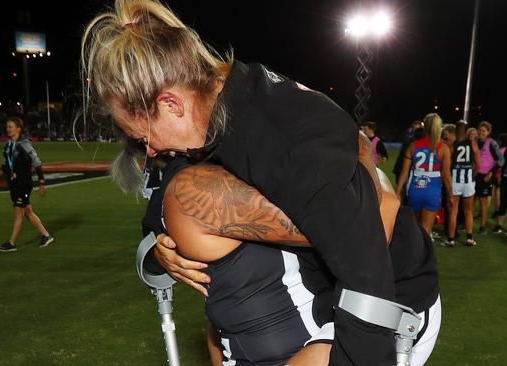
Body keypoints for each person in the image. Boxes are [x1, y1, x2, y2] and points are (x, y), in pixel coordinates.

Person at [82, 1, 397, 363]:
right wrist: (159, 248)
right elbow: (164, 204)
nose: (149, 151)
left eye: (143, 138)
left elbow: (367, 262)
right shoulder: (218, 116)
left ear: (170, 104)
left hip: (395, 295)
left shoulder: (279, 138)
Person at [145, 139, 440, 365]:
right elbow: (150, 236)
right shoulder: (186, 180)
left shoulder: (284, 159)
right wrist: (159, 254)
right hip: (242, 334)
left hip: (320, 327)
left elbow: (375, 213)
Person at [0, 117, 54, 252]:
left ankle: (12, 243)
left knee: (19, 213)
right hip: (14, 183)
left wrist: (42, 182)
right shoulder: (9, 145)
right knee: (27, 211)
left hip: (23, 183)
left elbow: (37, 163)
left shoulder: (24, 144)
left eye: (10, 126)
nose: (7, 129)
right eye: (7, 126)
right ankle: (46, 235)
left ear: (18, 129)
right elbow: (6, 162)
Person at [396, 113, 453, 236]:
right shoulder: (443, 148)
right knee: (426, 230)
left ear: (424, 127)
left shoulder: (413, 146)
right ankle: (425, 254)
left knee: (414, 229)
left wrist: (398, 191)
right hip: (433, 191)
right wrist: (451, 195)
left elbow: (404, 172)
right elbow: (446, 175)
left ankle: (413, 253)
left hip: (415, 190)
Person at [443, 121, 480, 247]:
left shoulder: (452, 145)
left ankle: (451, 239)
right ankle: (469, 238)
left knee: (453, 211)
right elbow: (478, 165)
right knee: (468, 211)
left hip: (455, 181)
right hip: (468, 181)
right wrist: (472, 175)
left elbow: (447, 165)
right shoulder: (473, 144)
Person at [475, 121, 504, 234]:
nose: (481, 132)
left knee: (483, 202)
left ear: (488, 132)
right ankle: (465, 223)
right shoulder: (475, 142)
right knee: (471, 200)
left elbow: (501, 160)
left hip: (485, 176)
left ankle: (483, 226)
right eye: (480, 130)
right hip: (474, 175)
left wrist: (491, 173)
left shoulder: (492, 143)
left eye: (484, 131)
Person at [393, 120, 425, 185]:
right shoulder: (410, 142)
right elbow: (402, 161)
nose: (418, 132)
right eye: (416, 130)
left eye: (419, 130)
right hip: (403, 171)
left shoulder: (411, 141)